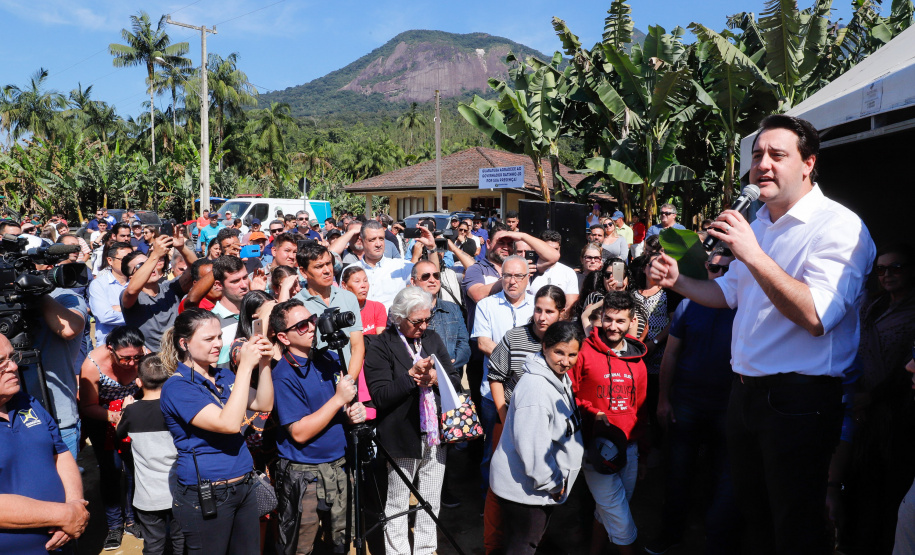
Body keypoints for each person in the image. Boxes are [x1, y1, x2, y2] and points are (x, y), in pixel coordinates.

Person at [648, 114, 876, 553]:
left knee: (795, 527)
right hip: (745, 396)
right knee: (754, 517)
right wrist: (678, 281)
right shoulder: (760, 227)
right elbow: (726, 293)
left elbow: (817, 315)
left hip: (800, 402)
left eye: (777, 154)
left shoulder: (838, 227)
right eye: (756, 156)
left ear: (808, 163)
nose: (763, 165)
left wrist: (751, 254)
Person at [159, 308, 274, 554]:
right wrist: (244, 368)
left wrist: (263, 363)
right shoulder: (177, 387)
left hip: (244, 486)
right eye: (209, 339)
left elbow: (263, 404)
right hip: (208, 495)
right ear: (184, 343)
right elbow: (228, 424)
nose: (218, 344)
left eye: (219, 337)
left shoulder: (224, 375)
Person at [647, 250, 740, 555]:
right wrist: (663, 399)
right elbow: (671, 354)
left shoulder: (744, 307)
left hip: (728, 407)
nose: (719, 273)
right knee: (678, 474)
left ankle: (715, 539)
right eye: (714, 267)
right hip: (686, 402)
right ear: (706, 267)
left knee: (723, 477)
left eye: (727, 269)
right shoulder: (688, 304)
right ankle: (671, 534)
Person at [363, 287, 461, 555]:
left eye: (427, 319)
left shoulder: (432, 338)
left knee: (431, 499)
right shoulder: (381, 346)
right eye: (417, 321)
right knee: (397, 502)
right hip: (401, 435)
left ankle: (426, 549)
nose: (423, 326)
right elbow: (381, 396)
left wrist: (435, 379)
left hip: (434, 434)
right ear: (398, 317)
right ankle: (397, 552)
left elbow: (453, 380)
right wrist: (411, 377)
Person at [270, 299, 367, 555]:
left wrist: (350, 412)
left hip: (339, 467)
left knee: (340, 544)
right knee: (300, 547)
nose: (311, 327)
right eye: (301, 325)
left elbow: (336, 410)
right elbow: (299, 432)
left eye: (311, 320)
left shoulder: (328, 359)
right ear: (284, 336)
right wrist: (338, 400)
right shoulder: (282, 375)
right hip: (305, 475)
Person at [489, 321, 585, 554]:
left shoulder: (559, 377)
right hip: (526, 491)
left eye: (572, 354)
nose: (565, 361)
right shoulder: (536, 390)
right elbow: (532, 447)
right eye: (559, 352)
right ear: (544, 347)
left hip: (537, 488)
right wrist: (552, 483)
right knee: (523, 545)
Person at [844, 243, 915, 552]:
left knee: (891, 492)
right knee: (860, 488)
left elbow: (906, 369)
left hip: (900, 415)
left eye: (895, 268)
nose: (887, 275)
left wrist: (873, 397)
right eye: (881, 269)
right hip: (864, 413)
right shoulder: (872, 305)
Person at [569, 291, 648, 555]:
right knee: (620, 517)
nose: (613, 327)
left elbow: (641, 407)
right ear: (600, 318)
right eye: (609, 319)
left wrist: (644, 450)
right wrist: (593, 413)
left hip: (630, 447)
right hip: (596, 449)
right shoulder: (583, 352)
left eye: (620, 321)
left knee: (609, 509)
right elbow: (570, 394)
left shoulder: (638, 360)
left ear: (631, 322)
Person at [0, 333, 89, 555]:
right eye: (0, 362)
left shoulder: (27, 401)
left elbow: (60, 453)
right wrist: (64, 515)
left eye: (12, 357)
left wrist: (76, 505)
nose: (13, 367)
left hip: (64, 543)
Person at [472, 255, 536, 502]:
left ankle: (521, 500)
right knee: (493, 450)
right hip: (493, 393)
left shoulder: (536, 306)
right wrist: (518, 358)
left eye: (519, 276)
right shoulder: (486, 306)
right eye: (508, 275)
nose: (512, 281)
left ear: (527, 278)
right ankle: (489, 502)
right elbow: (483, 342)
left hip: (528, 393)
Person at [79, 327, 146, 549]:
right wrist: (116, 416)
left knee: (134, 468)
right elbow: (88, 406)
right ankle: (114, 525)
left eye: (136, 357)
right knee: (111, 470)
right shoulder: (92, 365)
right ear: (110, 349)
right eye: (125, 358)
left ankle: (131, 519)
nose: (131, 363)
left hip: (133, 413)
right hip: (102, 418)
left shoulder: (143, 356)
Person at [115, 354, 185, 555]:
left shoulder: (132, 412)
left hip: (147, 497)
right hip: (178, 492)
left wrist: (125, 409)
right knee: (180, 540)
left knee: (153, 545)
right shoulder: (176, 408)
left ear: (138, 382)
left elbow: (119, 435)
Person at [294, 243, 365, 379]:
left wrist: (349, 381)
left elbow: (357, 346)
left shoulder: (348, 297)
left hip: (349, 378)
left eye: (328, 263)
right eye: (319, 266)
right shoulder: (297, 306)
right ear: (303, 272)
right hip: (317, 381)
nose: (327, 270)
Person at [121, 235, 198, 352]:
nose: (151, 267)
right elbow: (132, 290)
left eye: (149, 262)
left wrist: (182, 247)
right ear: (131, 277)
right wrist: (155, 255)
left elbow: (196, 269)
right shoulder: (129, 296)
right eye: (141, 266)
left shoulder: (170, 288)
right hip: (151, 362)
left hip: (180, 356)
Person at [358, 220, 437, 309]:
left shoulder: (399, 267)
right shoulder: (352, 270)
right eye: (372, 239)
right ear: (361, 241)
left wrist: (431, 248)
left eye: (381, 238)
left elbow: (433, 275)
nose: (378, 244)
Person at [88, 241, 134, 346]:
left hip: (136, 344)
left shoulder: (138, 283)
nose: (129, 263)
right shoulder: (98, 284)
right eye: (124, 259)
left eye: (131, 259)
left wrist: (118, 308)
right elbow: (104, 316)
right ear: (110, 260)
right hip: (109, 345)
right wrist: (135, 313)